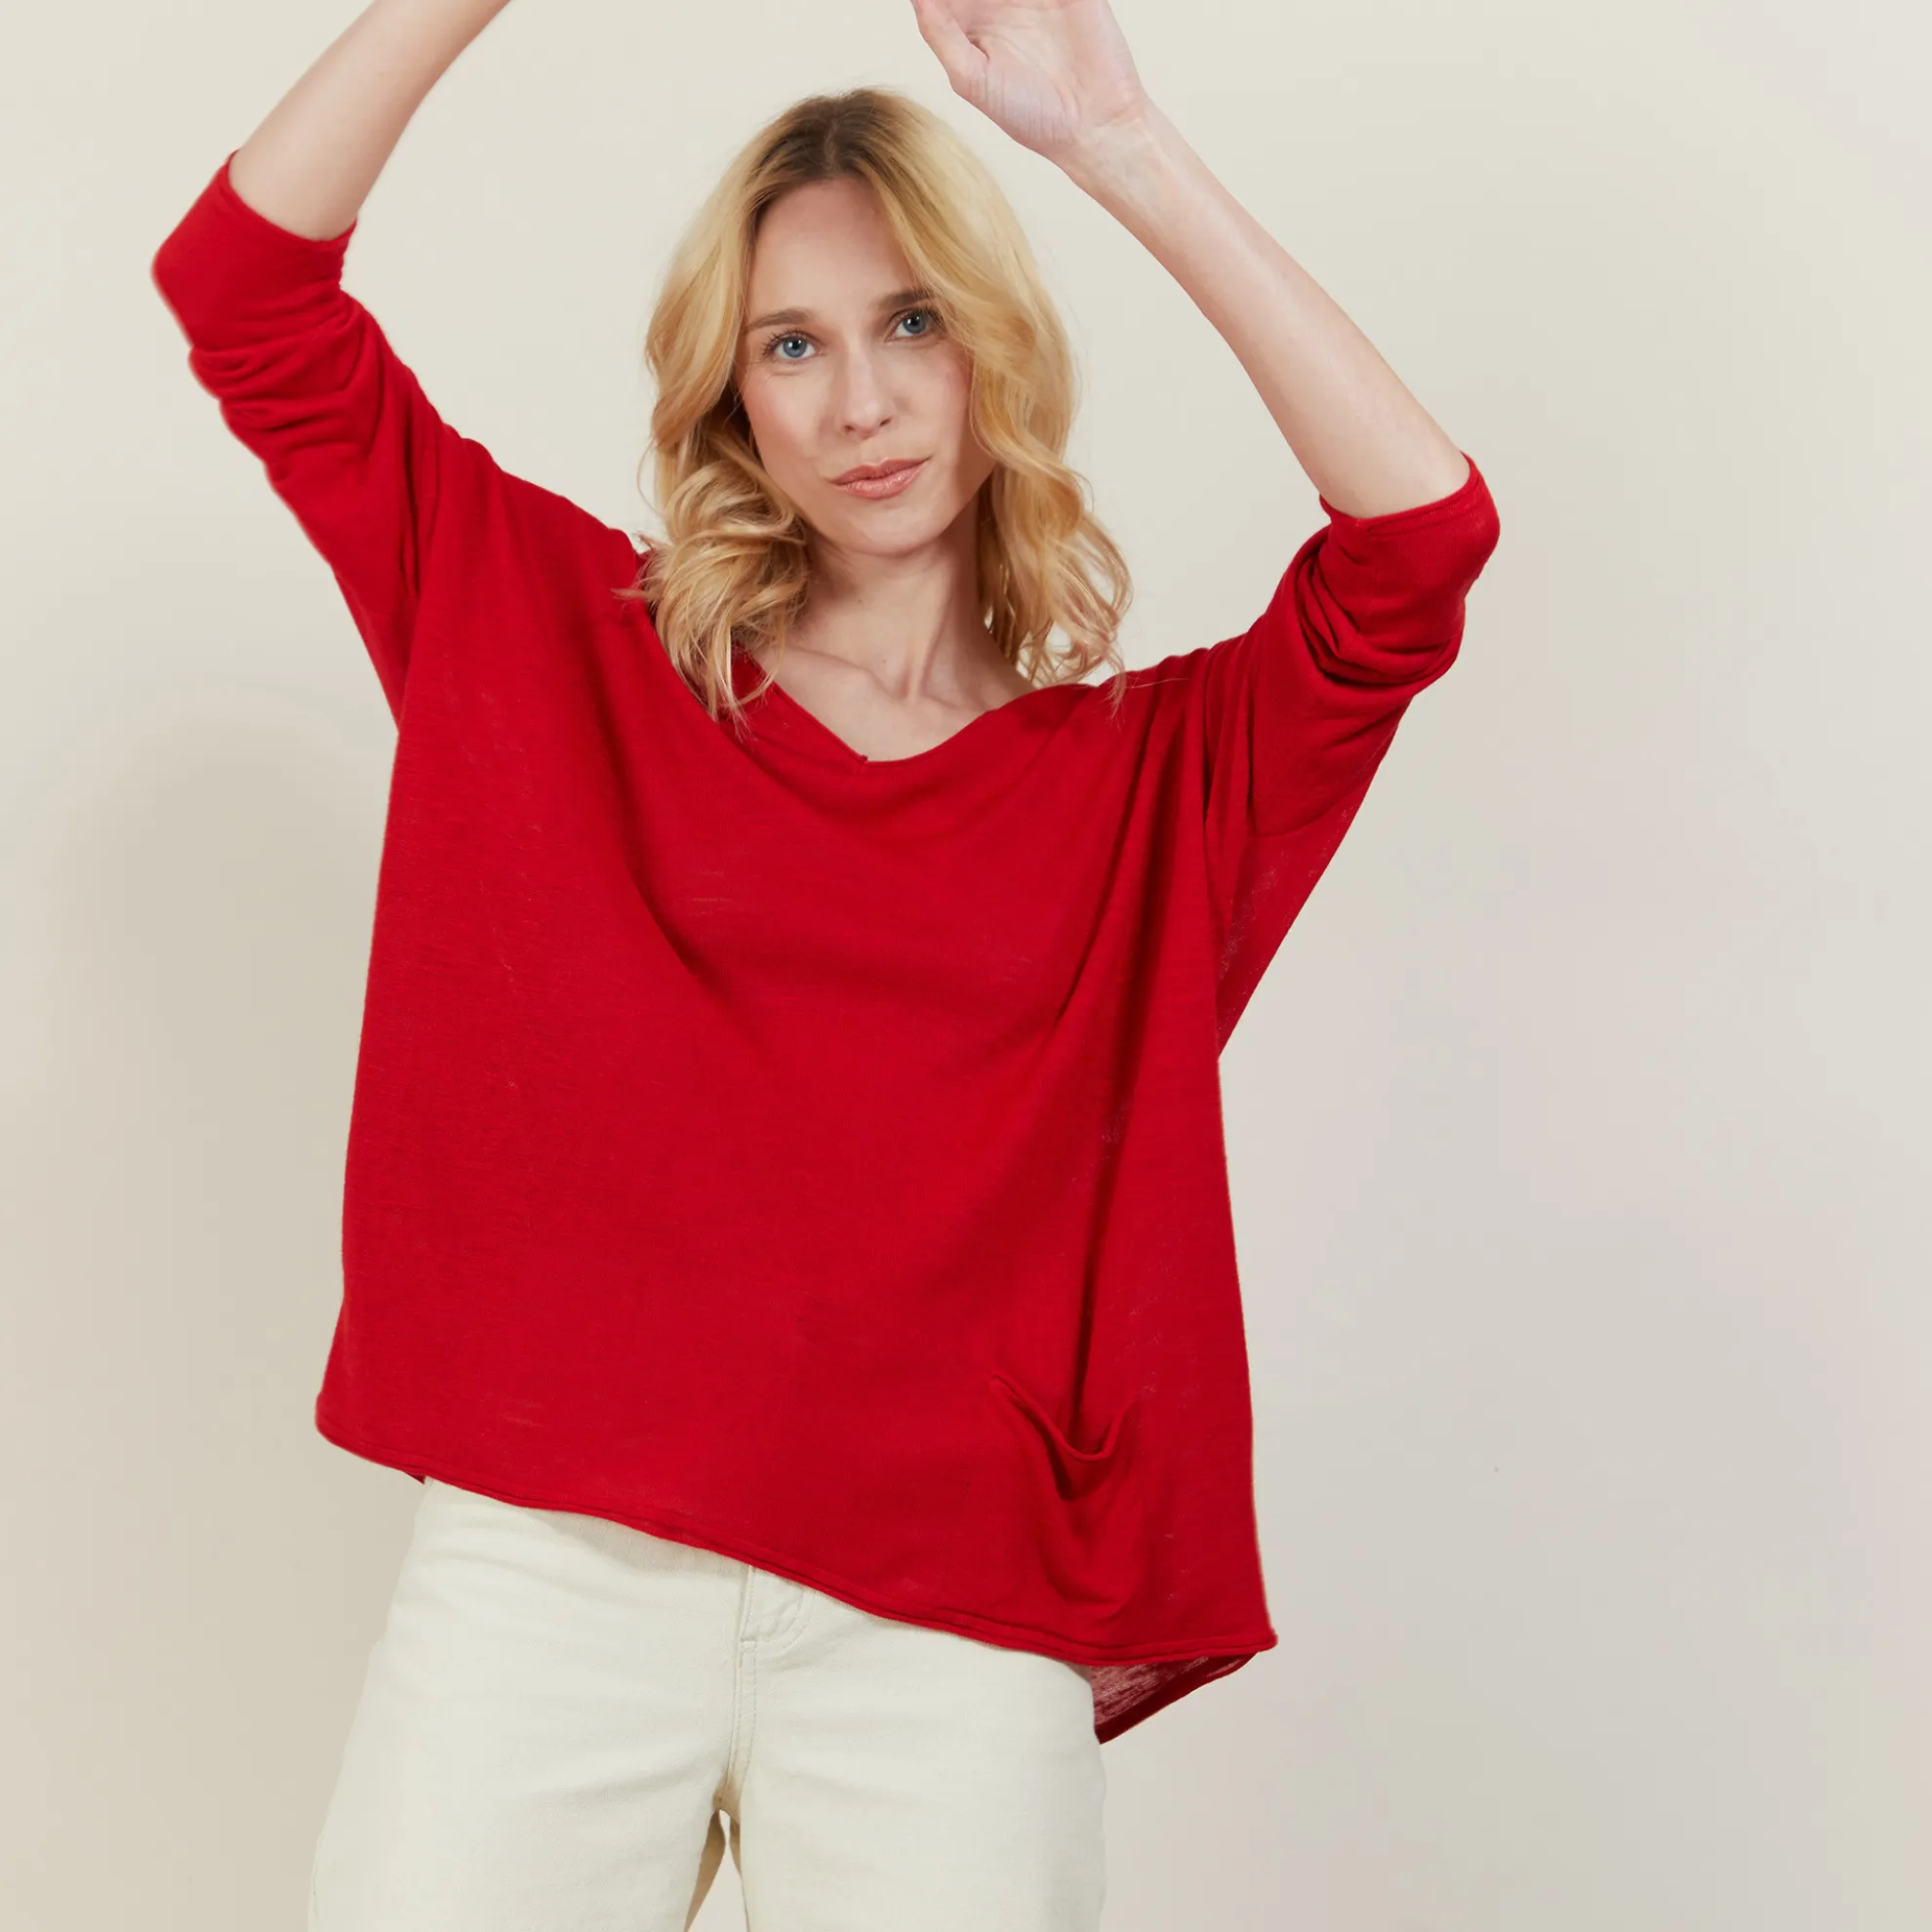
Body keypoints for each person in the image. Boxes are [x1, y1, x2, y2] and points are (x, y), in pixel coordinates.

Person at [150, 1, 1502, 1926]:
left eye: (912, 323)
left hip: (950, 1634)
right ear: (733, 397)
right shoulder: (550, 639)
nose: (861, 402)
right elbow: (243, 293)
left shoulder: (1150, 788)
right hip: (555, 1581)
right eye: (793, 343)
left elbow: (1419, 544)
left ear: (992, 350)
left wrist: (1116, 138)